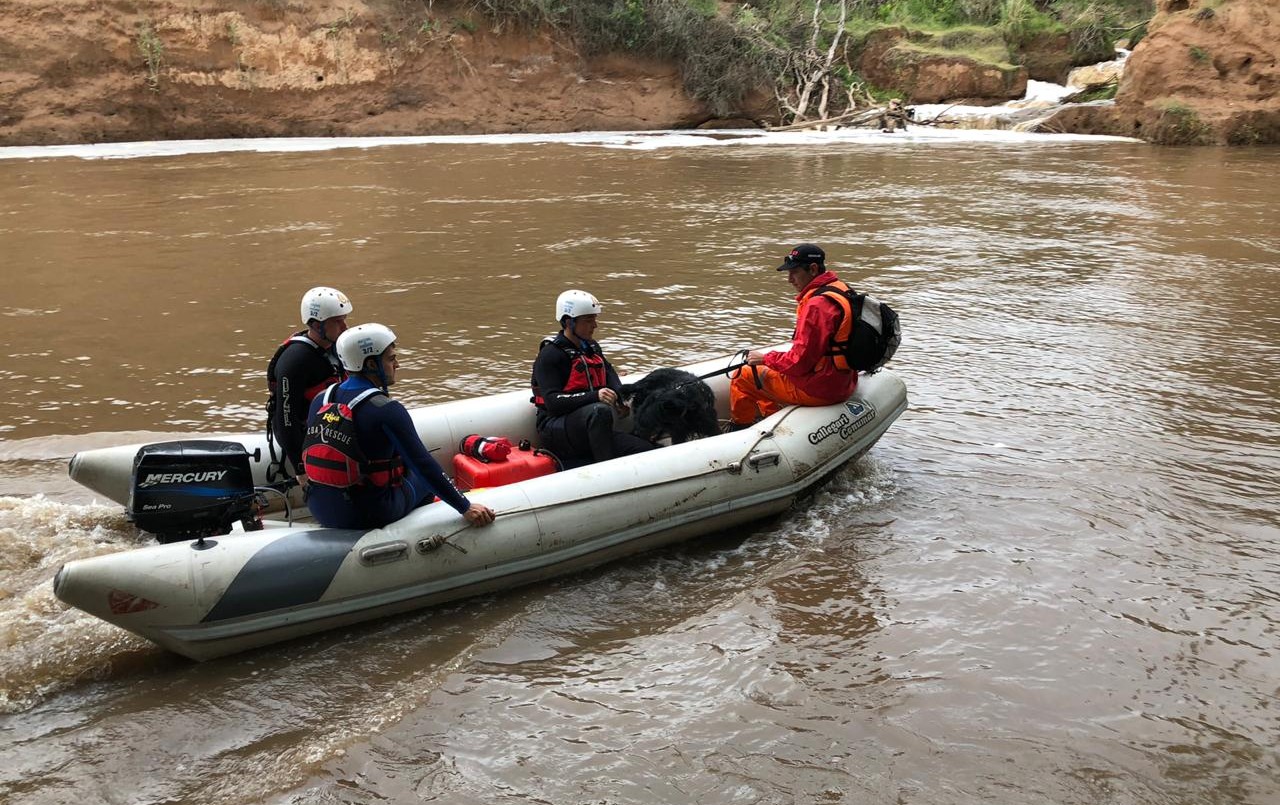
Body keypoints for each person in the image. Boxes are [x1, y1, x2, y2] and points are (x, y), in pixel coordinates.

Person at [302, 323, 496, 530]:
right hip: (365, 514)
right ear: (371, 364)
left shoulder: (322, 399)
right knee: (423, 481)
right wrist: (464, 506)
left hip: (318, 506)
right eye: (391, 359)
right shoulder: (386, 409)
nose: (397, 365)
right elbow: (423, 465)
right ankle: (420, 533)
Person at [728, 244, 859, 428]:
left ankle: (740, 428)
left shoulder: (817, 305)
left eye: (794, 272)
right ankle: (770, 417)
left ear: (813, 269)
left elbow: (800, 363)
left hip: (820, 388)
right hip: (844, 381)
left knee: (743, 376)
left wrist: (765, 358)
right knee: (768, 372)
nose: (789, 279)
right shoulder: (841, 289)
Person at [530, 290, 655, 467]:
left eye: (594, 319)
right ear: (569, 322)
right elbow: (552, 402)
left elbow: (609, 372)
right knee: (599, 410)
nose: (594, 325)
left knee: (644, 449)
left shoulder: (591, 347)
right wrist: (595, 396)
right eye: (588, 320)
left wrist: (620, 399)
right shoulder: (550, 355)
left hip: (591, 427)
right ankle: (606, 469)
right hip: (557, 429)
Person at [266, 286, 352, 481]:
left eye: (344, 319)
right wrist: (301, 469)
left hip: (332, 425)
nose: (345, 327)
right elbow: (286, 419)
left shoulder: (337, 348)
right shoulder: (295, 361)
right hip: (306, 435)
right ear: (316, 324)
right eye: (337, 321)